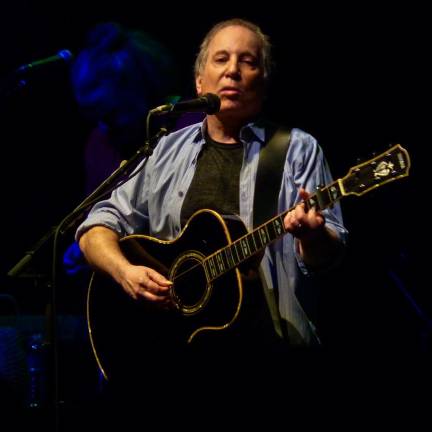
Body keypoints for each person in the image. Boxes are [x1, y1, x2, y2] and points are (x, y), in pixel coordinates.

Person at [75, 18, 347, 363]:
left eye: (248, 62)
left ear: (263, 83)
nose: (233, 71)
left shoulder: (298, 149)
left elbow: (329, 258)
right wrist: (124, 272)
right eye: (221, 59)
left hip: (269, 354)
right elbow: (95, 227)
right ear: (199, 79)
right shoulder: (163, 151)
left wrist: (313, 236)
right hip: (174, 352)